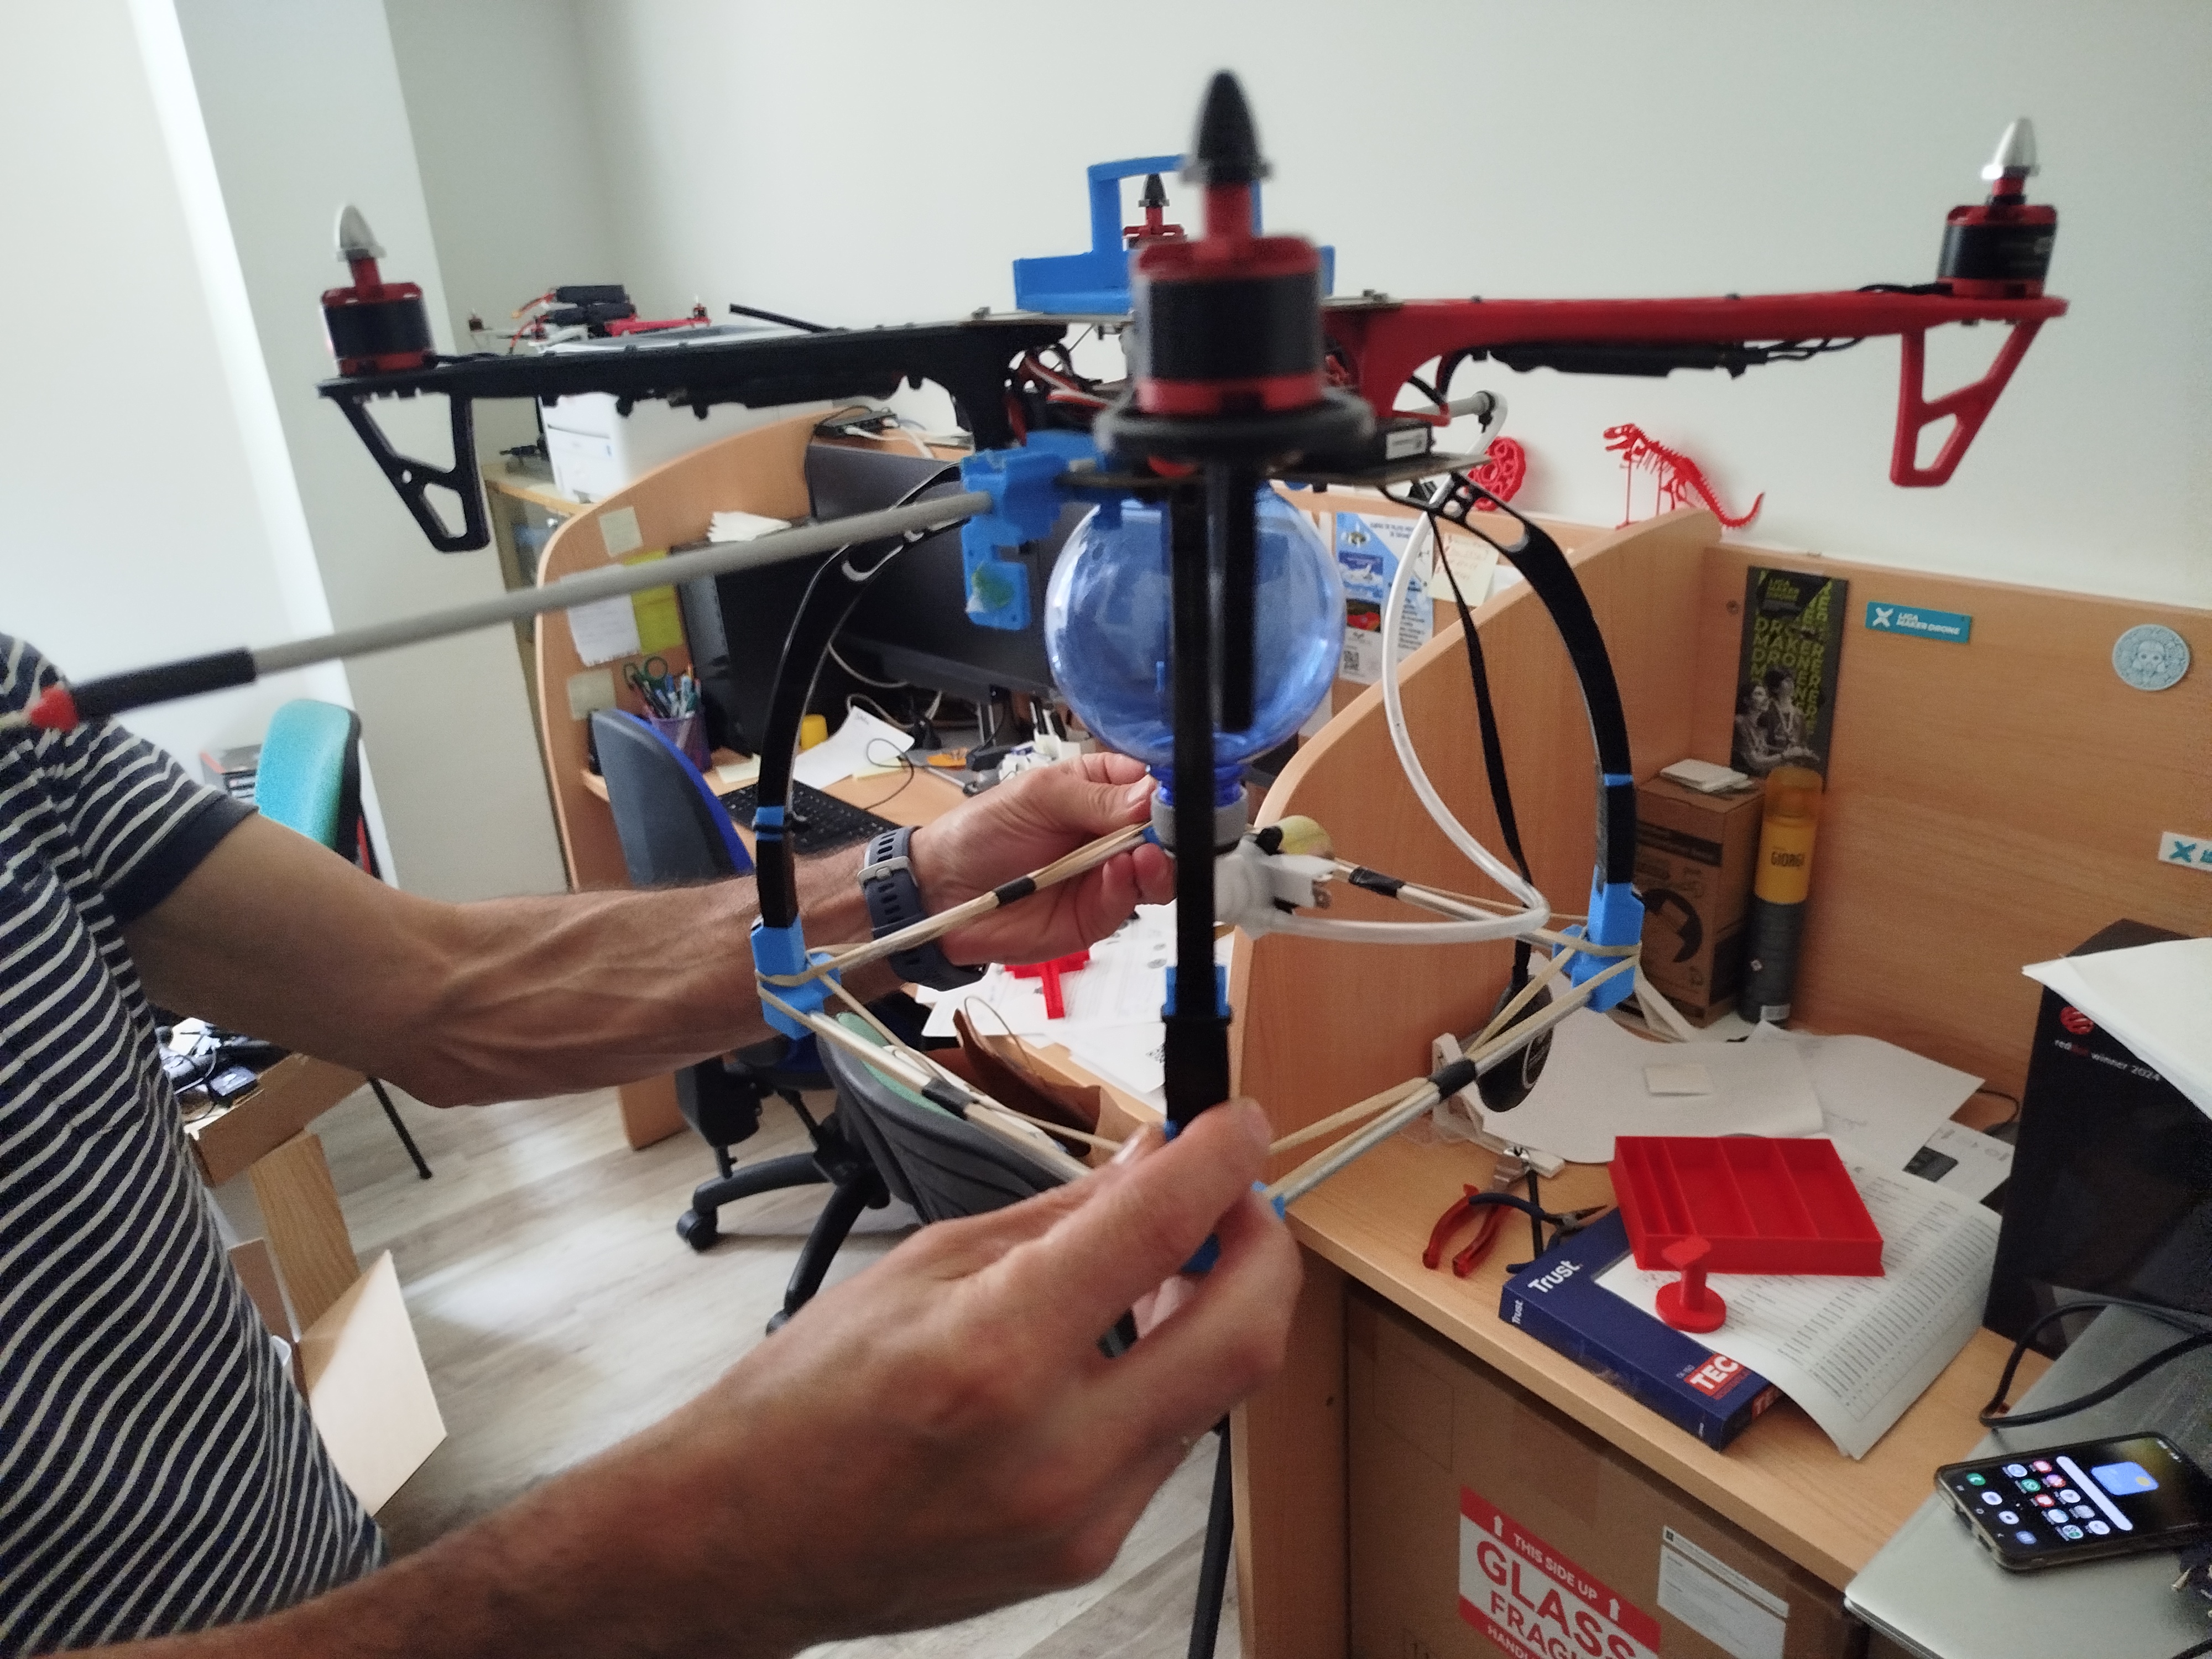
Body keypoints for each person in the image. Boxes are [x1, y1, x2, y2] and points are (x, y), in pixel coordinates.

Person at [0, 634, 1301, 1657]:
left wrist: (913, 885)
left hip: (320, 1569)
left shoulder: (17, 711)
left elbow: (442, 988)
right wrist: (720, 1547)